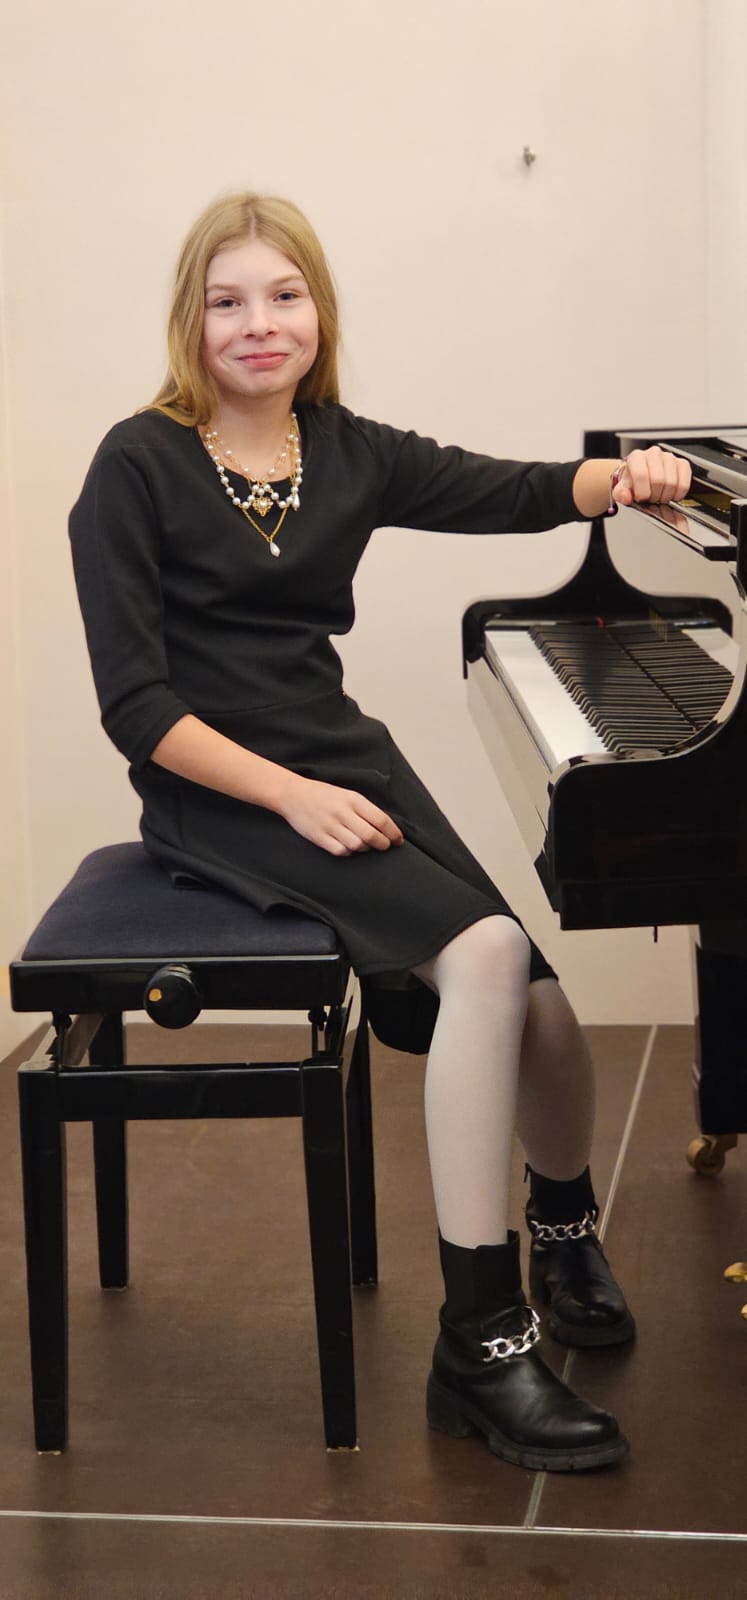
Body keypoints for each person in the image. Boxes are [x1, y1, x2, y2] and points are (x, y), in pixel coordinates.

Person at [69, 192, 691, 1475]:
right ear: (190, 319)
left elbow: (514, 487)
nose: (258, 323)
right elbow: (136, 708)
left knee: (545, 1009)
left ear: (319, 310)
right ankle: (482, 1340)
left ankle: (563, 1231)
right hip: (219, 787)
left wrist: (625, 479)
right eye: (227, 300)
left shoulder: (341, 447)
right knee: (484, 957)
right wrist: (286, 796)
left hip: (339, 753)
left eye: (283, 295)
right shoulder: (135, 463)